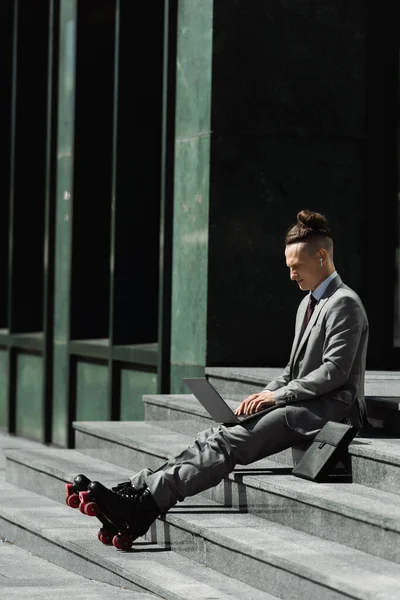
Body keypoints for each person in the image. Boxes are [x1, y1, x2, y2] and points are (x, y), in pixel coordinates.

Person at [74, 209, 369, 547]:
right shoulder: (307, 305)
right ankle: (136, 488)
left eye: (296, 267)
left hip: (332, 409)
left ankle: (144, 506)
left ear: (321, 256)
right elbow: (291, 372)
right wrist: (262, 396)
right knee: (216, 432)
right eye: (288, 267)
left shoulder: (346, 303)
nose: (291, 275)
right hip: (303, 401)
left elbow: (334, 372)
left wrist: (278, 398)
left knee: (229, 443)